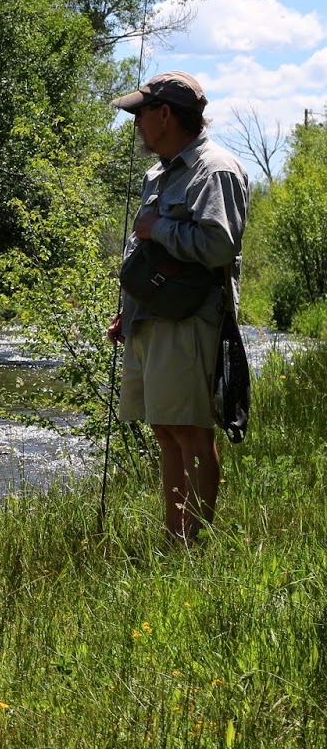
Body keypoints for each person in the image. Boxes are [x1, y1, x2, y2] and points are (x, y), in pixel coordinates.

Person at [107, 72, 248, 543]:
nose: (136, 125)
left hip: (190, 319)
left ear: (165, 115)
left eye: (140, 114)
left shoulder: (216, 169)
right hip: (151, 317)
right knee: (165, 429)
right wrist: (129, 310)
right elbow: (145, 251)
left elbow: (218, 246)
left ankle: (191, 544)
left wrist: (157, 230)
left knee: (191, 432)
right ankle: (176, 538)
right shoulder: (161, 172)